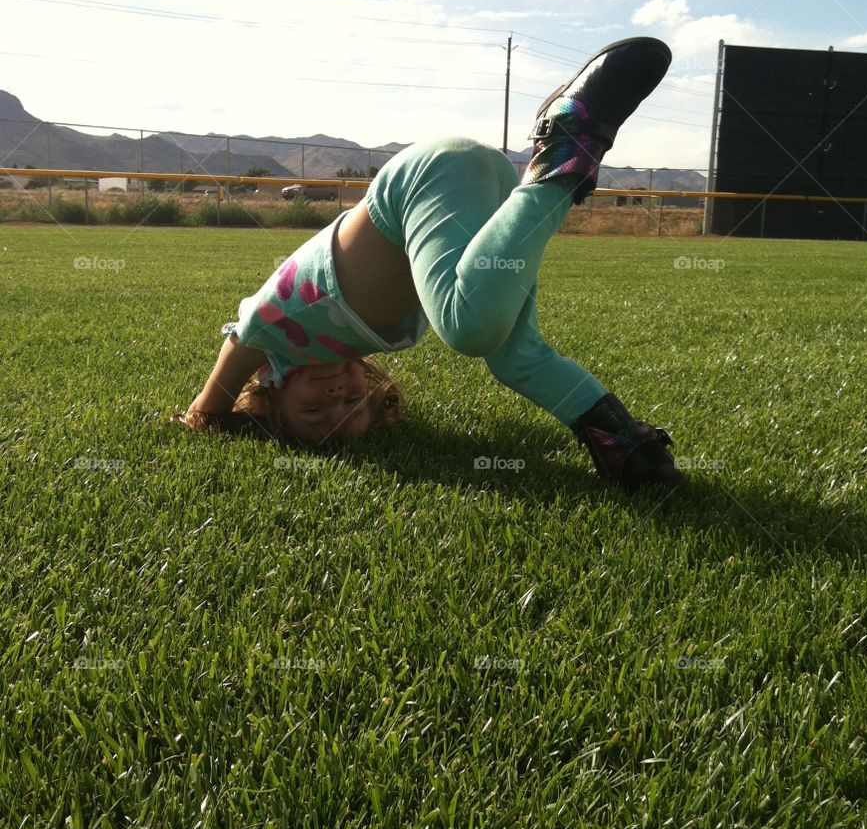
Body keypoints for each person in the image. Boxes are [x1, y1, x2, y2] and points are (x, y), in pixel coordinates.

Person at [172, 38, 686, 490]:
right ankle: (627, 445)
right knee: (517, 355)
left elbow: (224, 370)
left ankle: (565, 148)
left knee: (467, 328)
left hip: (425, 180)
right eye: (352, 405)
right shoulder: (346, 341)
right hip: (475, 189)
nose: (336, 396)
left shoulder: (268, 334)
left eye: (313, 410)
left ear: (269, 393)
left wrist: (207, 415)